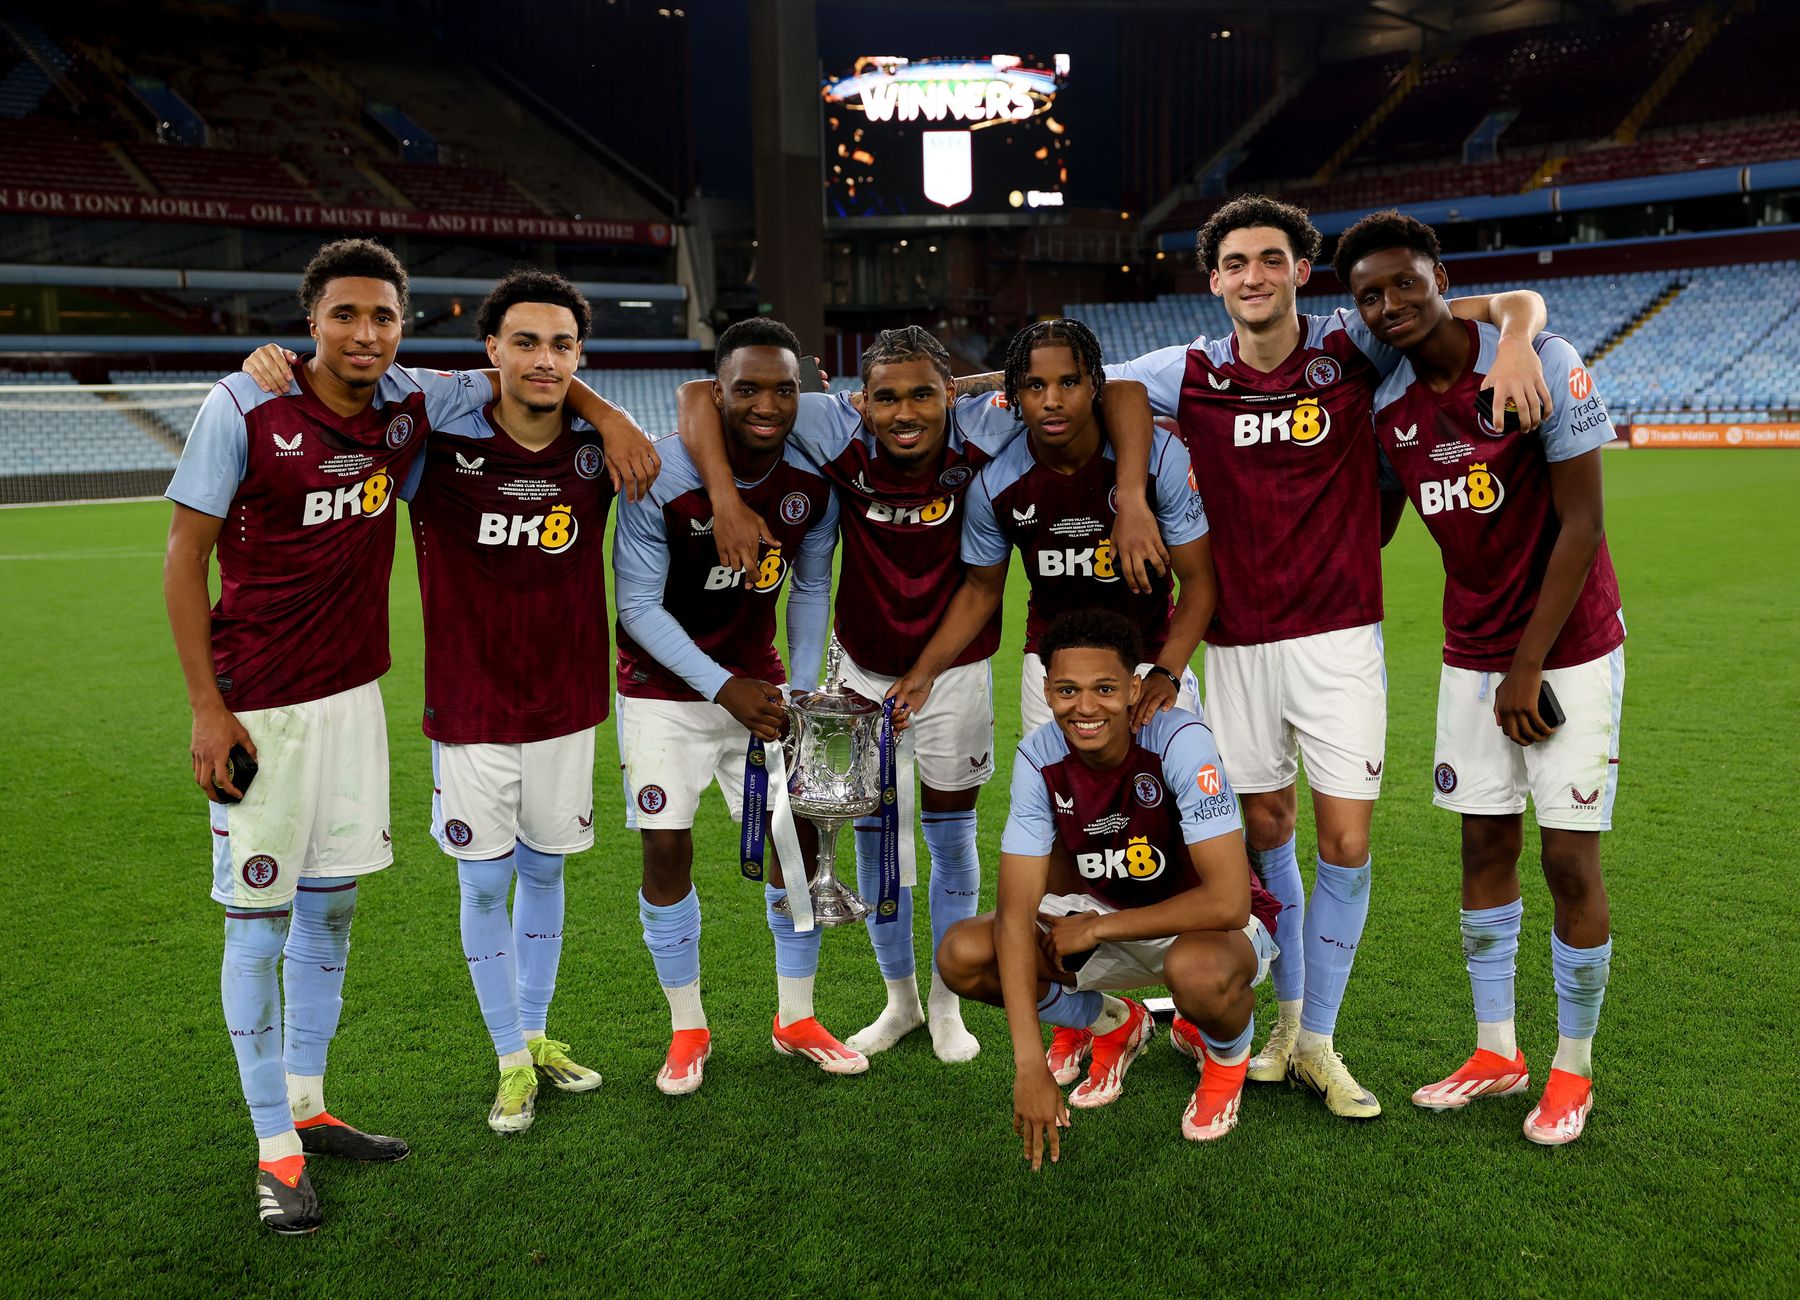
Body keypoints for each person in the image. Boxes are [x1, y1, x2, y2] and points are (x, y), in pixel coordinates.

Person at [1103, 195, 1551, 1118]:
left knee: (1345, 841)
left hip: (1339, 636)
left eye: (1272, 259)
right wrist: (1131, 497)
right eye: (1236, 263)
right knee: (1265, 830)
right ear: (1215, 278)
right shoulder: (1185, 368)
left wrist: (1515, 340)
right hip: (1230, 646)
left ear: (1301, 271)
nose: (1253, 277)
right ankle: (1289, 1023)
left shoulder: (1356, 342)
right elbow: (1102, 386)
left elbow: (1507, 303)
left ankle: (1318, 1040)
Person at [676, 327, 1168, 1062]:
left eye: (924, 394)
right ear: (858, 401)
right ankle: (898, 1000)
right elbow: (695, 395)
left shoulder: (987, 422)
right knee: (873, 834)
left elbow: (1122, 390)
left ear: (951, 395)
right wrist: (722, 493)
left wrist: (981, 394)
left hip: (957, 669)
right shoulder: (828, 423)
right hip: (861, 669)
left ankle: (946, 1007)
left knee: (949, 834)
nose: (904, 412)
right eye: (885, 397)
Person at [166, 239, 504, 1235]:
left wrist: (610, 412)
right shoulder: (243, 406)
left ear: (403, 328)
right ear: (309, 321)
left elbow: (531, 370)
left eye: (383, 317)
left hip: (355, 699)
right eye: (345, 315)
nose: (364, 333)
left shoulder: (408, 404)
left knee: (331, 909)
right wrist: (205, 706)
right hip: (257, 705)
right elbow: (184, 556)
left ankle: (309, 1103)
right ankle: (273, 1148)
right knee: (257, 920)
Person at [1337, 211, 1622, 1146]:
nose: (1389, 306)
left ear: (1440, 278)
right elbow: (1372, 529)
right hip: (1471, 656)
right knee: (1484, 851)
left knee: (1568, 859)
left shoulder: (1546, 360)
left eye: (1404, 285)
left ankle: (1572, 1070)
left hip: (1566, 650)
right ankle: (1496, 1051)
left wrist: (1527, 666)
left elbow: (1582, 526)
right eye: (1369, 296)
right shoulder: (1390, 414)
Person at [936, 609, 1280, 1166]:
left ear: (1134, 689)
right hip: (1097, 921)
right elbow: (1014, 913)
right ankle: (1115, 1022)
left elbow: (1227, 900)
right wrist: (1027, 1065)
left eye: (1105, 688)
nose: (1086, 707)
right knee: (964, 954)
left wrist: (1097, 927)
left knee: (1199, 973)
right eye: (1068, 690)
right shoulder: (1038, 756)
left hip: (1206, 930)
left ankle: (1225, 1058)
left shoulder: (1182, 742)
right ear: (1046, 690)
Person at [400, 269, 616, 1134]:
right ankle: (507, 1057)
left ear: (580, 356)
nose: (544, 358)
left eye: (561, 344)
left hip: (567, 704)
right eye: (524, 341)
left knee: (546, 870)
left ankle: (533, 1035)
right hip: (471, 706)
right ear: (490, 352)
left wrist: (610, 416)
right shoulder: (437, 451)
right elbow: (358, 390)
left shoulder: (598, 454)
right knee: (485, 882)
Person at [615, 317, 854, 1094]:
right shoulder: (663, 479)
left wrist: (805, 693)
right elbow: (637, 609)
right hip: (664, 695)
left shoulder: (809, 487)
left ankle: (796, 1017)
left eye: (782, 389)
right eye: (746, 388)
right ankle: (688, 1030)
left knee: (803, 847)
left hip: (763, 690)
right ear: (716, 394)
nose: (766, 404)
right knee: (666, 851)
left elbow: (813, 586)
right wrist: (723, 686)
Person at [892, 317, 1216, 739]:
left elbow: (1199, 582)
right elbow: (981, 590)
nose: (1052, 401)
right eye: (1035, 387)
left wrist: (1167, 673)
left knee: (1169, 799)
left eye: (1069, 383)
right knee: (1060, 801)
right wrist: (923, 674)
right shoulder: (995, 484)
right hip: (1050, 665)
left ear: (1094, 387)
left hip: (1150, 659)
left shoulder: (1160, 460)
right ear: (1015, 398)